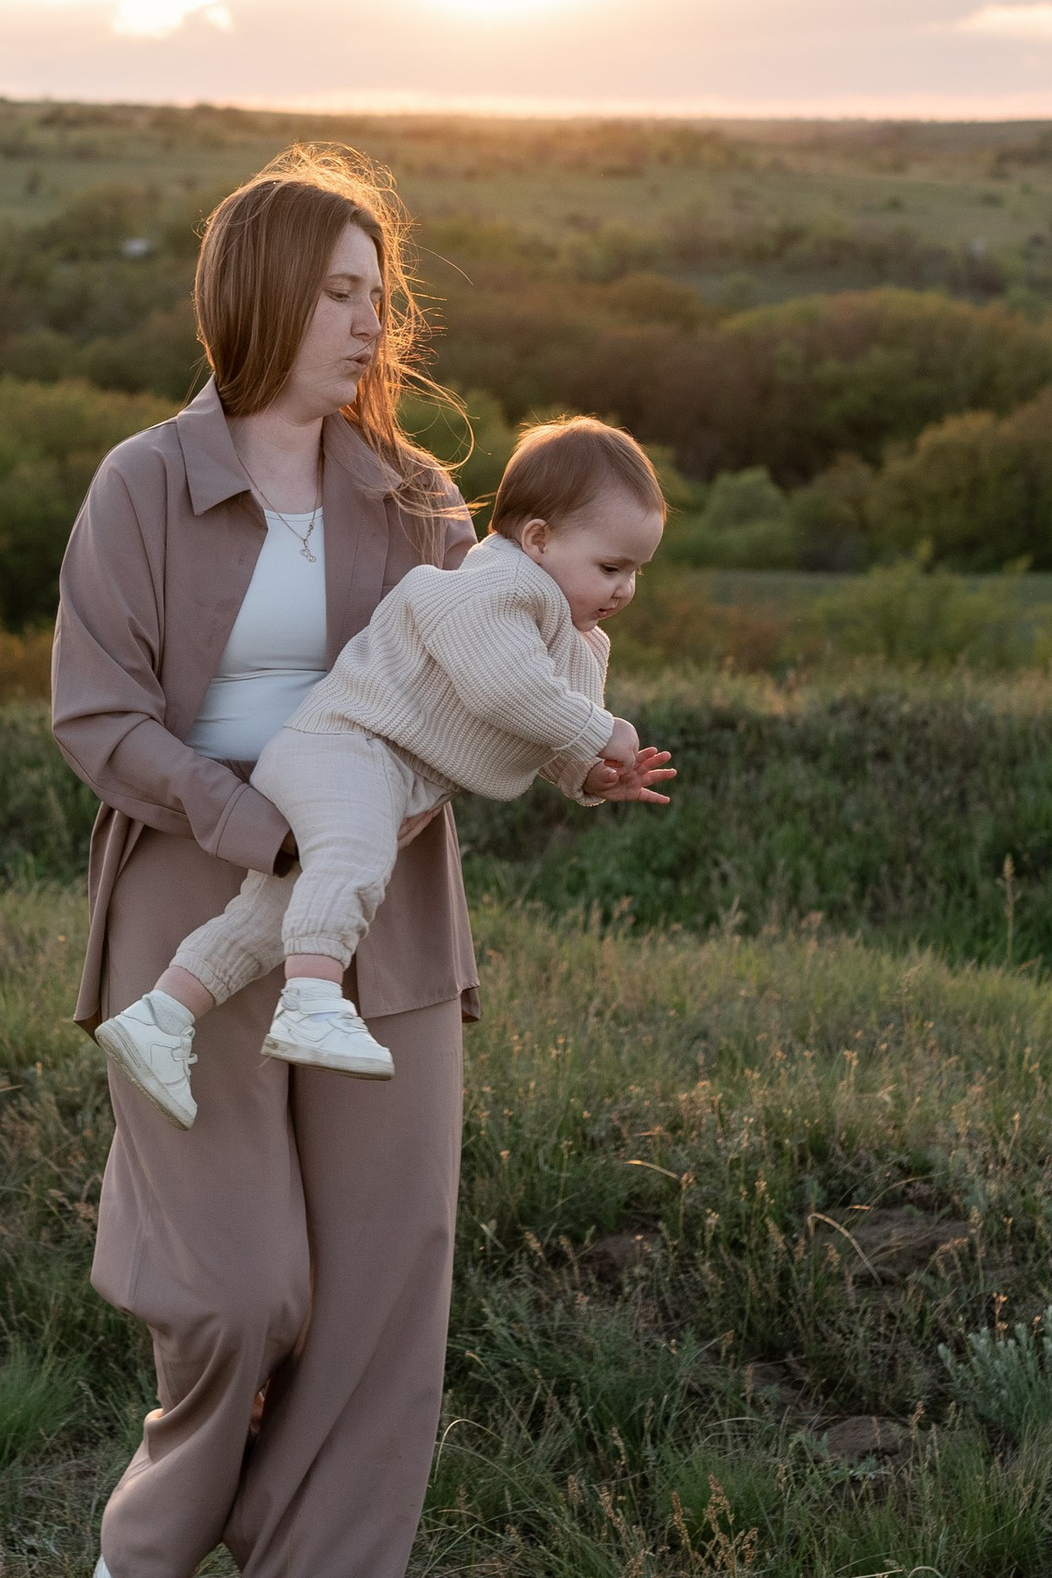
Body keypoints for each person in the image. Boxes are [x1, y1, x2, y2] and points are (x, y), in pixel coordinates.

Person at [53, 146, 649, 1578]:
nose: (364, 323)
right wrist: (248, 818)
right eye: (334, 293)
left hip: (390, 906)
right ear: (255, 294)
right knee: (244, 1287)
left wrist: (580, 758)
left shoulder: (425, 500)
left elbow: (490, 691)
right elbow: (94, 712)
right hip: (200, 895)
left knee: (387, 1299)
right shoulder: (142, 486)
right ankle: (161, 1527)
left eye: (378, 299)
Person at [97, 418, 676, 1123]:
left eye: (638, 572)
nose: (624, 589)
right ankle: (311, 1002)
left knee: (270, 913)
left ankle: (161, 1015)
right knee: (354, 856)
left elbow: (531, 724)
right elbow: (506, 688)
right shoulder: (493, 587)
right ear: (538, 541)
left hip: (383, 767)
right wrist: (600, 729)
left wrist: (588, 773)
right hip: (347, 742)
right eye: (611, 567)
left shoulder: (577, 638)